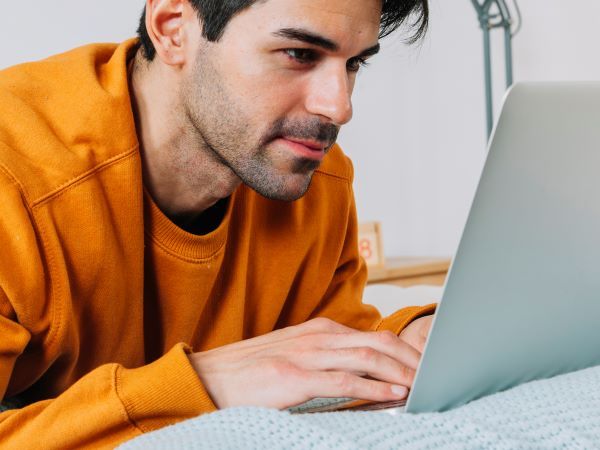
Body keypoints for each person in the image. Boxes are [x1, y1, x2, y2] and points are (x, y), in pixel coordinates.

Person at [0, 0, 435, 447]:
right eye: (300, 54)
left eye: (354, 64)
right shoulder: (14, 176)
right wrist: (204, 383)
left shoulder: (314, 179)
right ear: (173, 29)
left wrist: (413, 336)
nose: (339, 106)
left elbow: (332, 344)